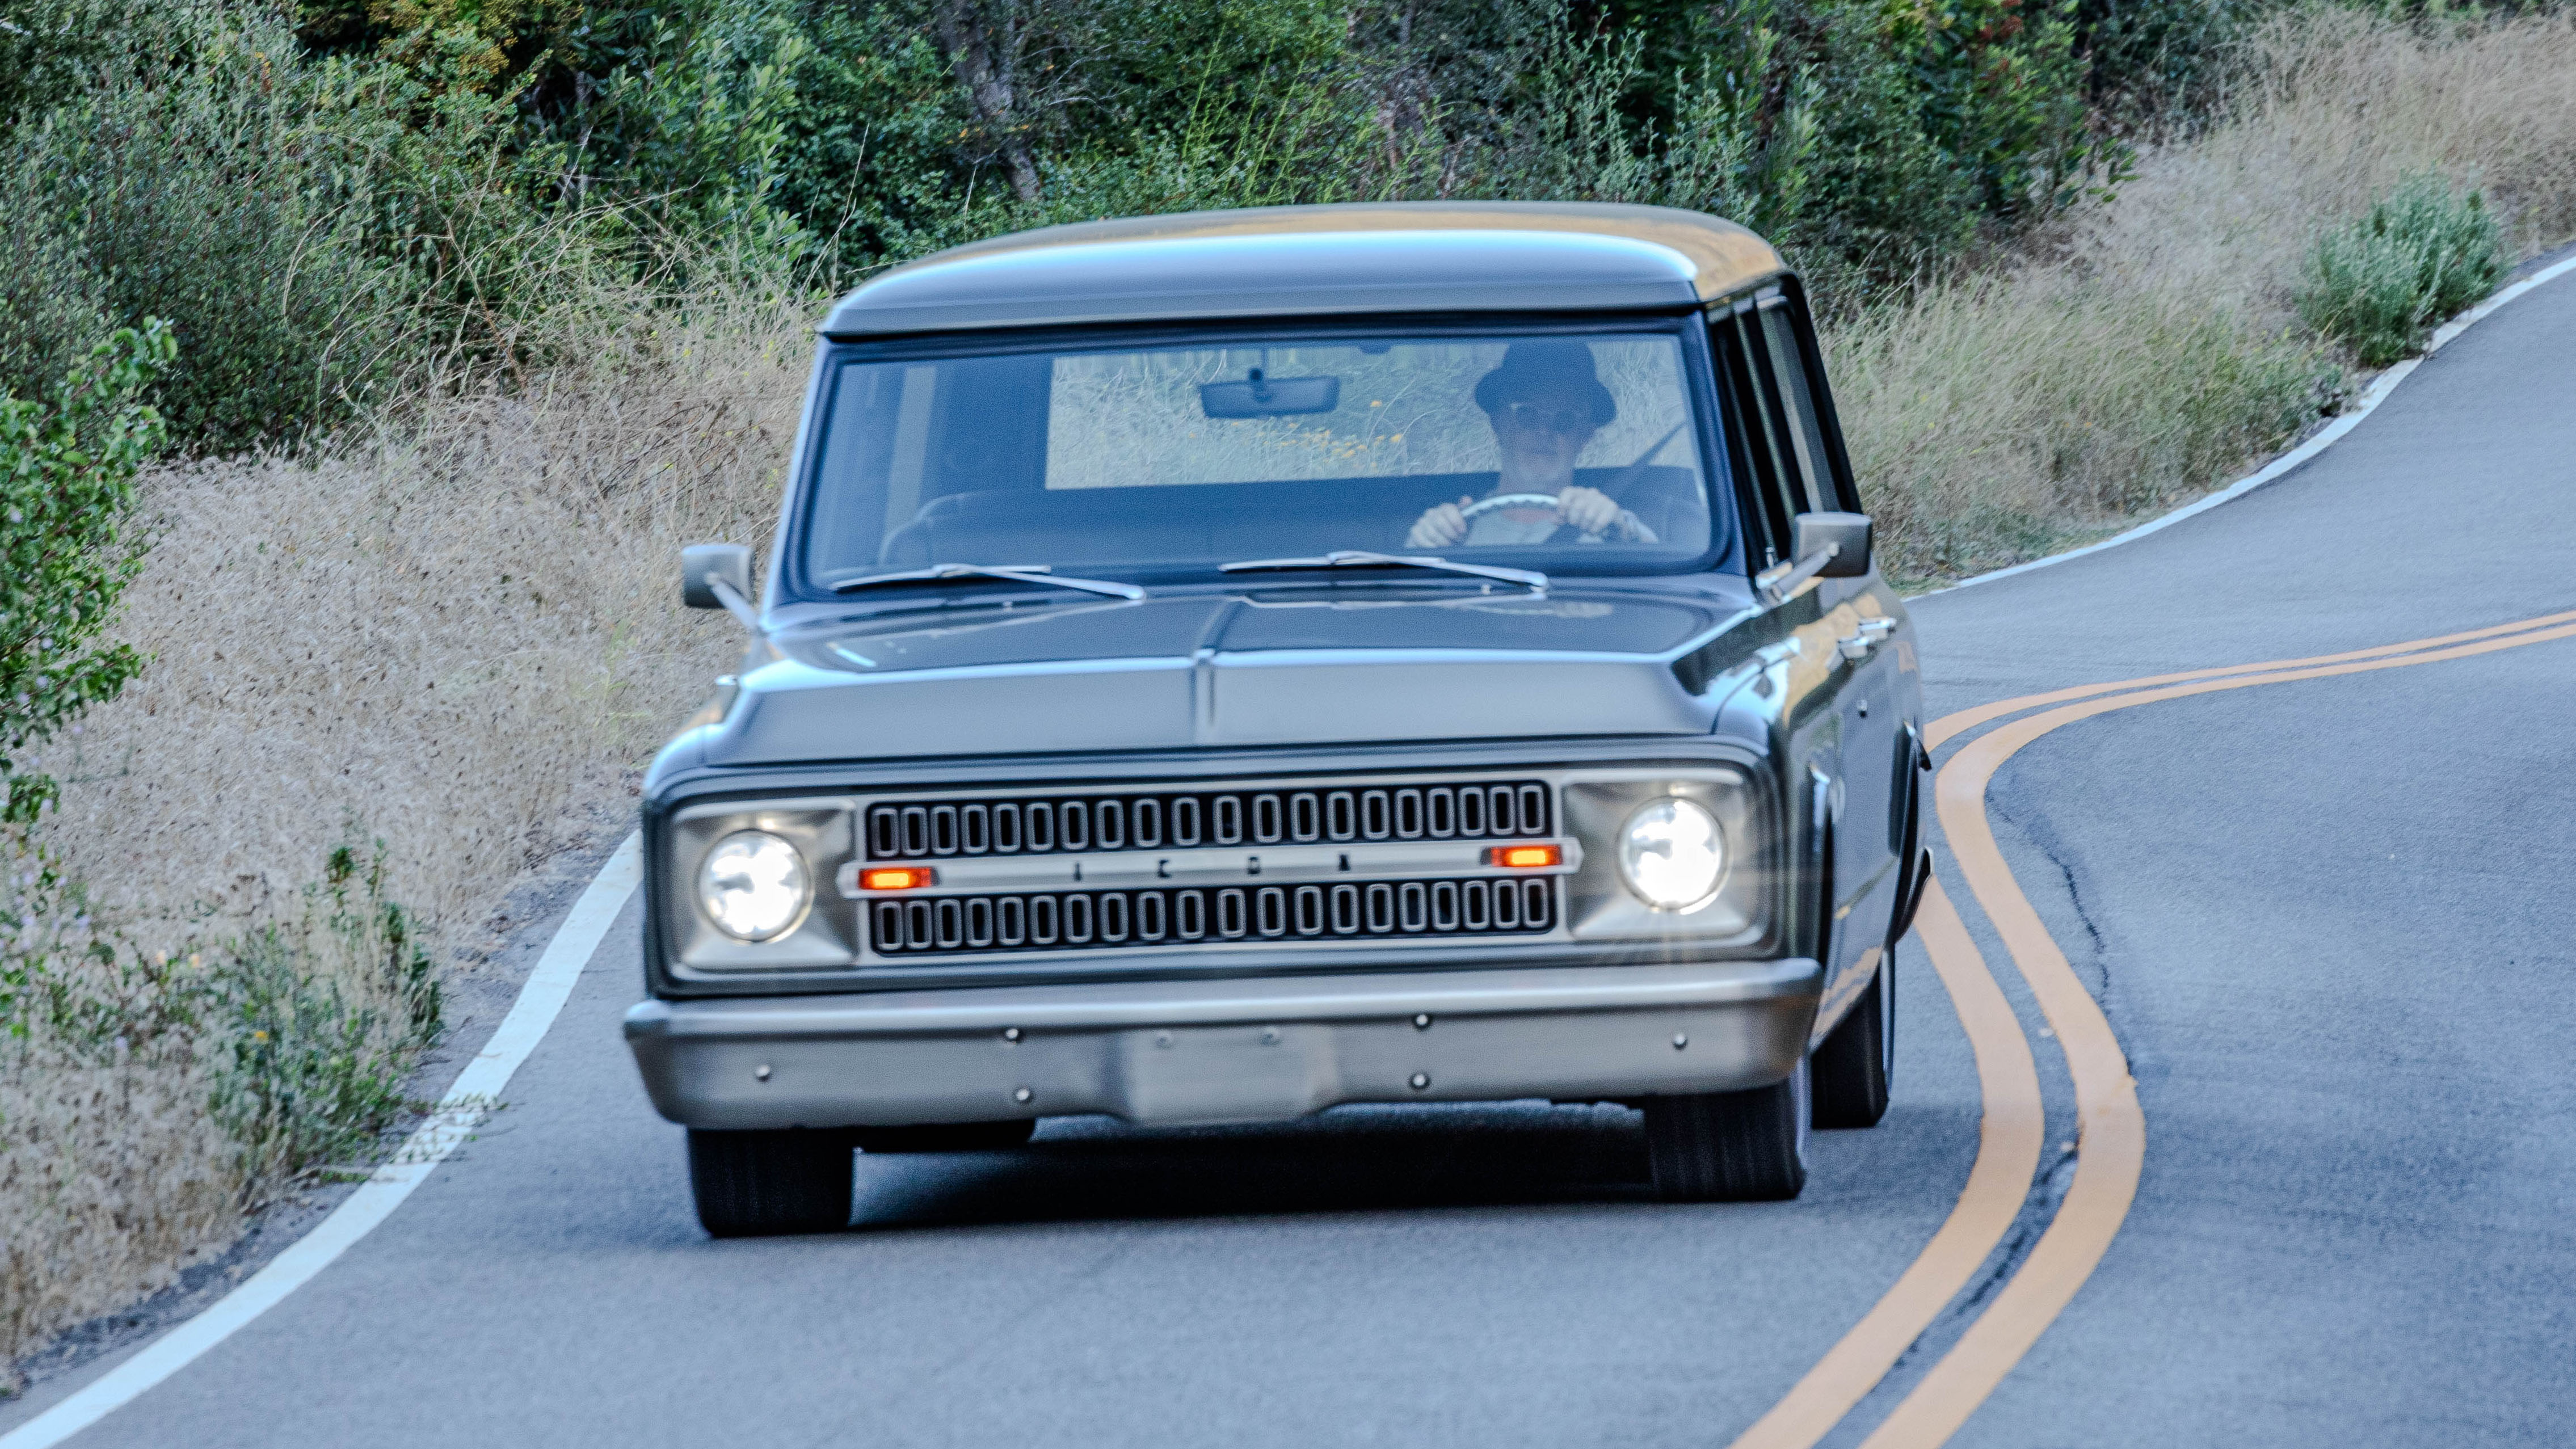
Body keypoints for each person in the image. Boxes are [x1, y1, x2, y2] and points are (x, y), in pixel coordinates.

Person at [1405, 341, 1634, 549]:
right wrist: (1425, 541)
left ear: (1585, 435)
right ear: (1499, 422)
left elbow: (1659, 566)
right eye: (1527, 415)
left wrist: (1621, 526)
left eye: (1564, 420)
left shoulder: (1610, 528)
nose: (1544, 431)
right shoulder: (1450, 531)